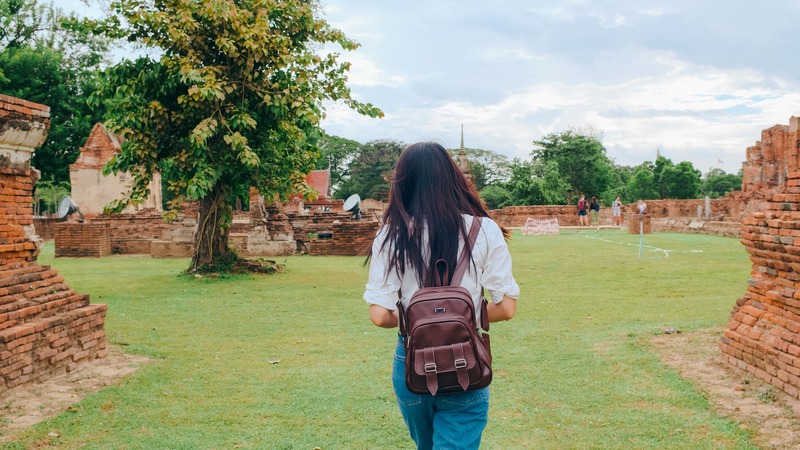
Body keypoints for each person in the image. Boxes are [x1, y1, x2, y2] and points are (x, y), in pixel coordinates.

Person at [364, 142, 520, 449]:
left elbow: (380, 316)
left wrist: (421, 319)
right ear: (453, 178)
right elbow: (506, 308)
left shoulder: (390, 234)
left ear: (402, 182)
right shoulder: (485, 230)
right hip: (465, 359)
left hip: (412, 360)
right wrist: (461, 318)